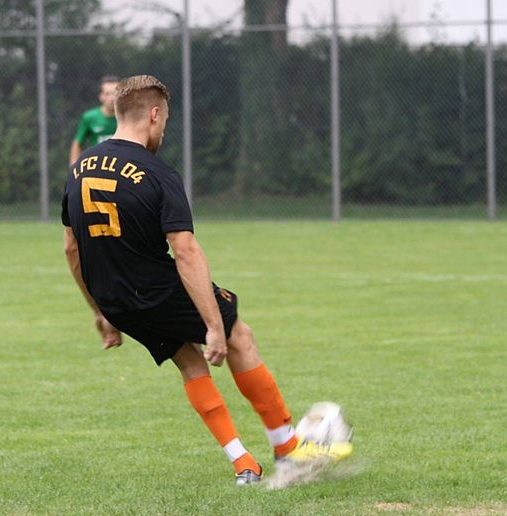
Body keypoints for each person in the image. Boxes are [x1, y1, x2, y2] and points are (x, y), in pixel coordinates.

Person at [62, 75, 350, 486]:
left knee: (188, 359)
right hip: (157, 288)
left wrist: (100, 312)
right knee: (239, 337)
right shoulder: (157, 172)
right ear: (155, 115)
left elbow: (72, 249)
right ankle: (288, 451)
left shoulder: (79, 169)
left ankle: (243, 464)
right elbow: (186, 251)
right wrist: (215, 324)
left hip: (115, 299)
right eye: (165, 121)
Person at [68, 75, 120, 164]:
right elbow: (78, 142)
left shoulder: (127, 117)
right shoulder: (89, 117)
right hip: (97, 167)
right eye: (107, 94)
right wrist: (74, 167)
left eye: (115, 93)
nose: (112, 98)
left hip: (121, 166)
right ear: (101, 96)